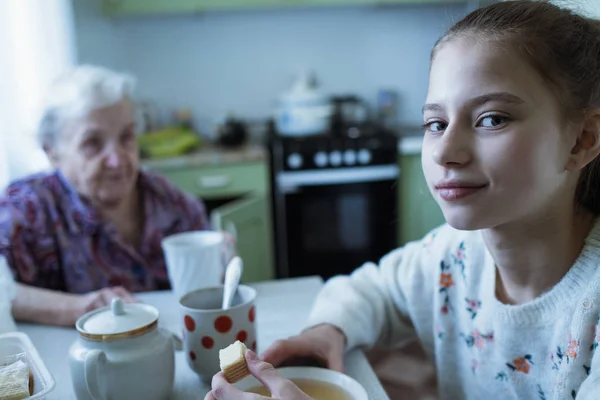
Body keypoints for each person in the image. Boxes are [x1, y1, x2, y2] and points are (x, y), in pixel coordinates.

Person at [207, 1, 600, 399]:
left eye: (491, 118)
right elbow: (374, 289)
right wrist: (327, 331)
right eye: (436, 123)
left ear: (583, 140)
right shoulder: (454, 257)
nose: (444, 152)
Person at [0, 66, 227, 327]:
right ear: (52, 152)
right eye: (92, 143)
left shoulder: (167, 200)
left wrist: (220, 264)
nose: (117, 160)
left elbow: (209, 291)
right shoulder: (27, 206)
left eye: (127, 137)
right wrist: (77, 307)